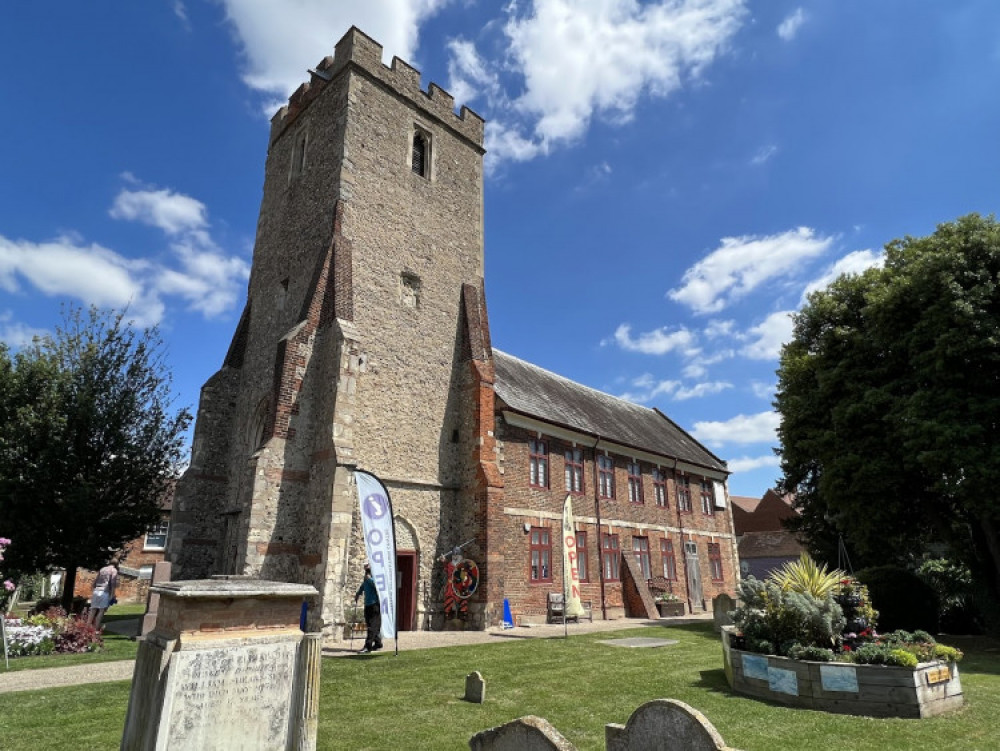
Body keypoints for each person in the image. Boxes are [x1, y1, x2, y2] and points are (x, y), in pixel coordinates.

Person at [354, 563, 382, 653]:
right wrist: (358, 593)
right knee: (370, 624)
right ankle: (378, 643)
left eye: (368, 569)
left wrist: (370, 579)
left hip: (375, 604)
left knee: (372, 626)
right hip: (367, 604)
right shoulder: (366, 578)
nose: (366, 571)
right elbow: (363, 585)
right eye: (365, 570)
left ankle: (368, 646)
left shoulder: (375, 577)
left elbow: (378, 587)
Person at [87, 562, 118, 629]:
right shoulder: (114, 570)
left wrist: (93, 589)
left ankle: (87, 628)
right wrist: (112, 595)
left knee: (93, 610)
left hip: (96, 590)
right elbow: (113, 583)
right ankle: (96, 628)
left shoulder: (102, 569)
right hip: (104, 592)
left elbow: (95, 580)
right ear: (116, 565)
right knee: (101, 611)